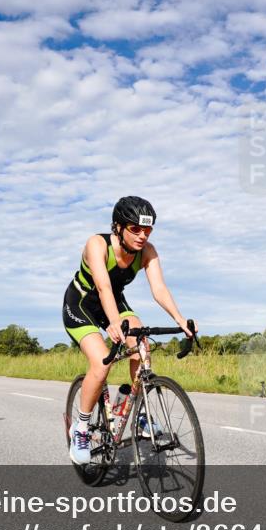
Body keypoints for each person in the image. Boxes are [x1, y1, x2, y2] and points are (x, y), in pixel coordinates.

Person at [62, 196, 196, 464]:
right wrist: (113, 322)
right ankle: (81, 428)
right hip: (82, 304)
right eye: (135, 229)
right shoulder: (97, 244)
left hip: (116, 301)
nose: (142, 236)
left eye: (147, 230)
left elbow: (159, 289)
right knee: (101, 364)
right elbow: (103, 288)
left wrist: (181, 320)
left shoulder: (147, 251)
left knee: (141, 343)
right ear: (118, 227)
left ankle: (141, 410)